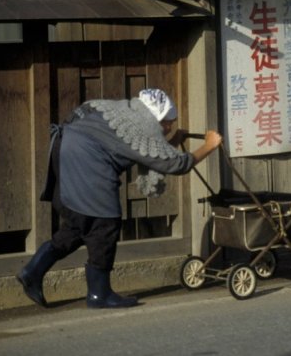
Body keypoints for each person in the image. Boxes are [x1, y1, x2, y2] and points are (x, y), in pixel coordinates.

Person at [16, 88, 223, 308]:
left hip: (66, 151)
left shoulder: (128, 110)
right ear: (156, 118)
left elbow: (143, 152)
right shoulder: (144, 128)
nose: (169, 127)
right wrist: (209, 145)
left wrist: (171, 141)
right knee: (105, 225)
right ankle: (99, 294)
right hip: (88, 163)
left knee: (81, 224)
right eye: (167, 123)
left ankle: (32, 271)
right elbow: (176, 164)